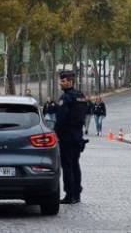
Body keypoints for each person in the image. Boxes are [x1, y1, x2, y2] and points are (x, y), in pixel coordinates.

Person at [53, 69, 89, 205]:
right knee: (75, 165)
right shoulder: (80, 96)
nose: (60, 83)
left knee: (67, 166)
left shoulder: (66, 98)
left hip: (67, 136)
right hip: (77, 135)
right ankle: (77, 193)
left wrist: (56, 132)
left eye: (63, 81)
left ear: (70, 81)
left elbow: (61, 119)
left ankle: (70, 194)